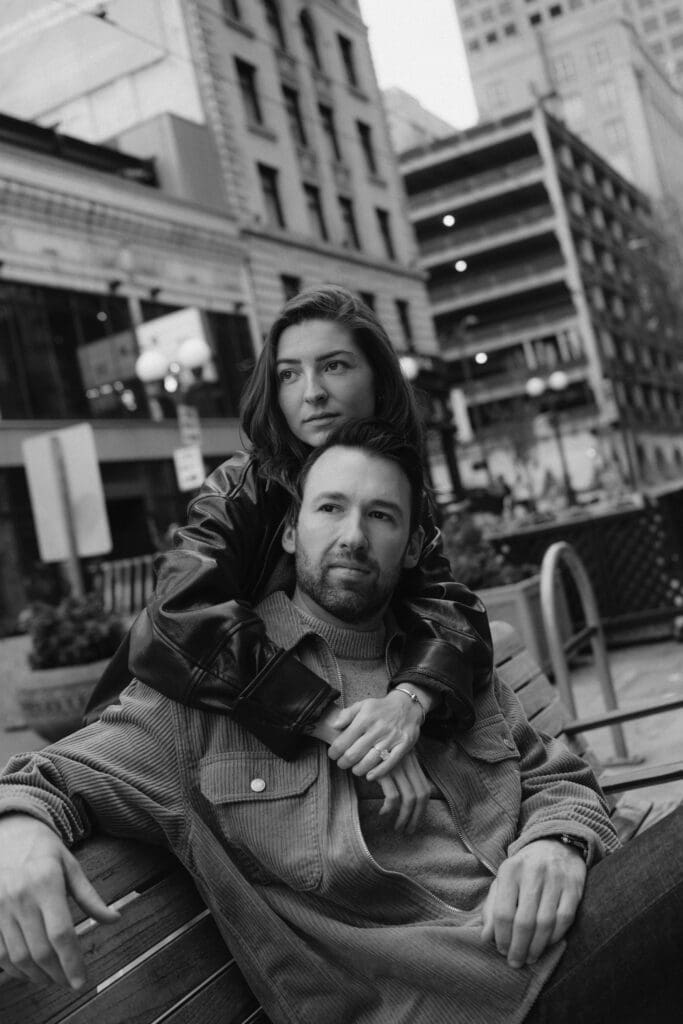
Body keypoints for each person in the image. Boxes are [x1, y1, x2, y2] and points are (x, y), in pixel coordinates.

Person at [2, 420, 680, 1023]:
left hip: (586, 927)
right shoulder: (207, 697)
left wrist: (554, 843)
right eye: (331, 508)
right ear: (293, 529)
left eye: (381, 516)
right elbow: (52, 777)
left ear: (412, 545)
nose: (353, 537)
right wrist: (18, 831)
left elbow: (559, 780)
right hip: (471, 995)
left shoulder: (437, 661)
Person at [85, 286, 493, 782]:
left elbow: (451, 612)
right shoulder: (236, 493)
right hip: (152, 737)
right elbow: (180, 617)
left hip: (274, 761)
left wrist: (409, 701)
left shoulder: (394, 489)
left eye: (335, 366)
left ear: (380, 380)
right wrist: (329, 719)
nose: (312, 391)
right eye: (289, 373)